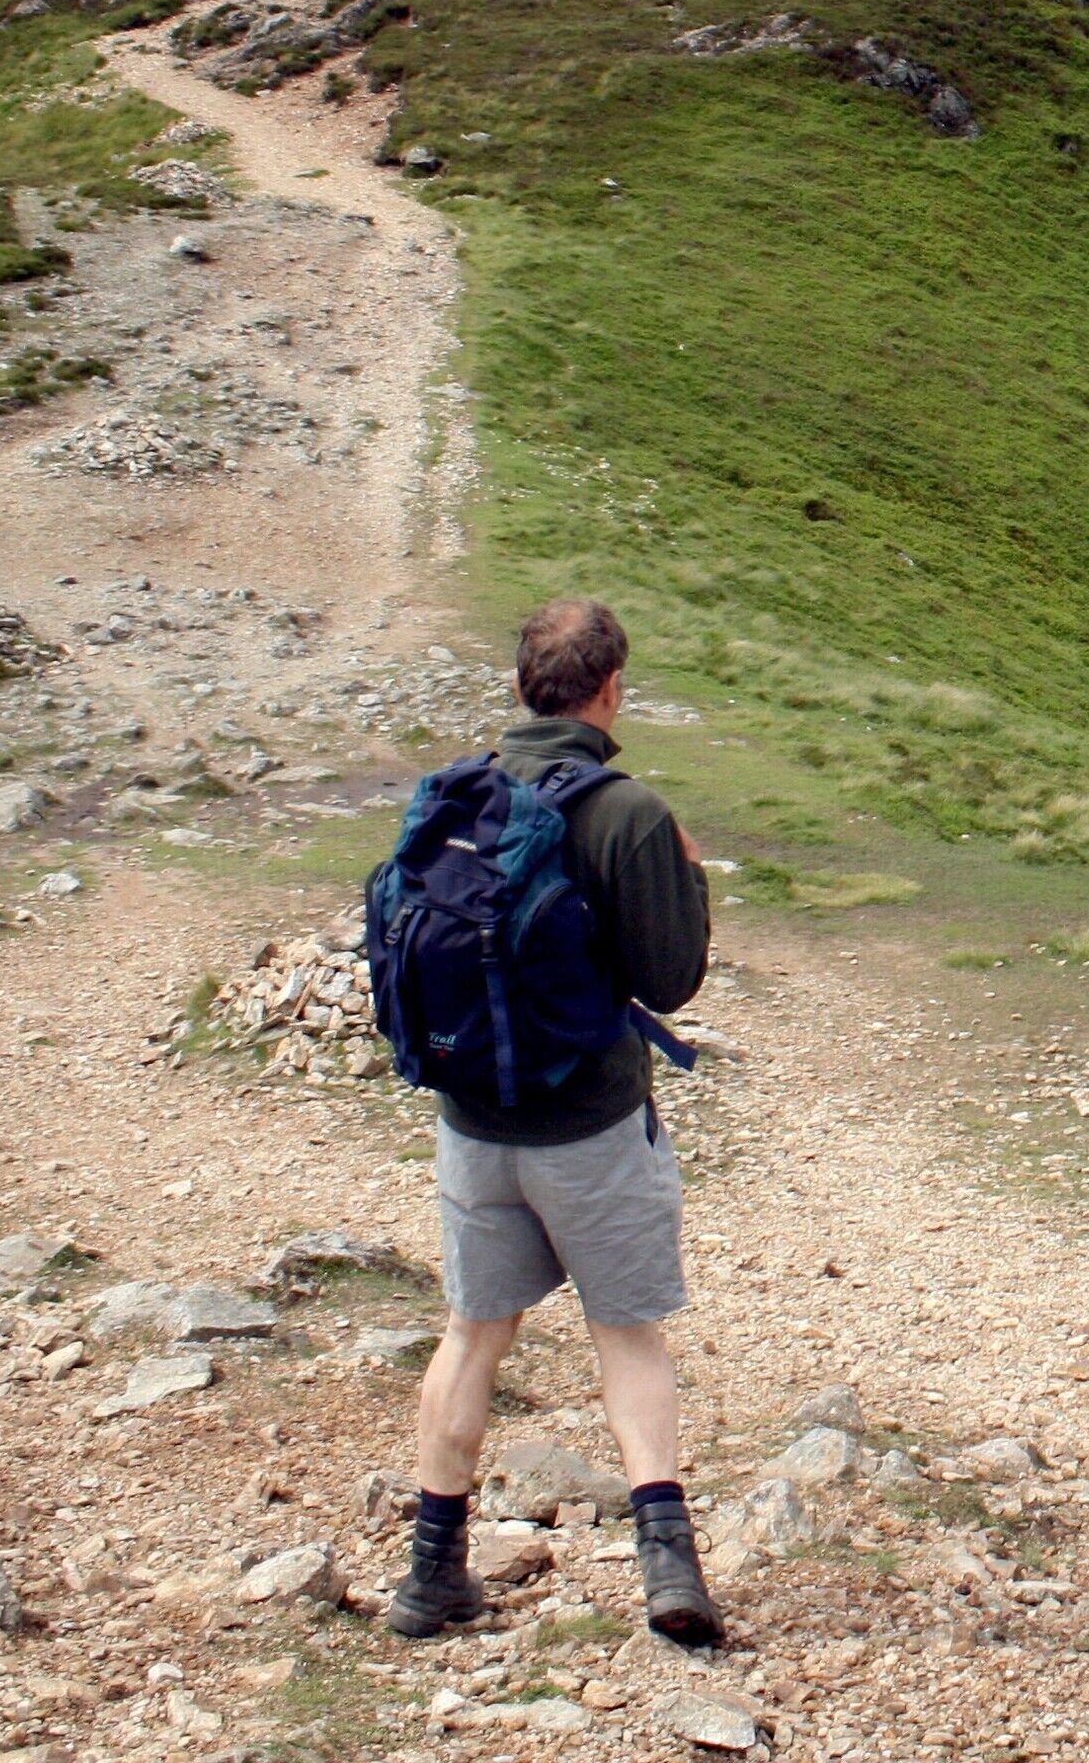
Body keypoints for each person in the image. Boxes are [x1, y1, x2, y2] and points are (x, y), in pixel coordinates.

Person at [388, 596, 720, 1644]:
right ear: (612, 690)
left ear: (524, 684)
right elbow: (670, 981)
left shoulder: (459, 796)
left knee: (473, 1336)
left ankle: (429, 1571)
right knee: (628, 1338)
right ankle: (669, 1573)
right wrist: (692, 880)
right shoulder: (630, 813)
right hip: (591, 1122)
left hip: (473, 1122)